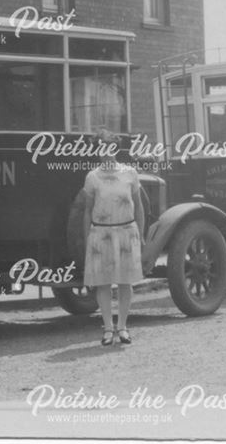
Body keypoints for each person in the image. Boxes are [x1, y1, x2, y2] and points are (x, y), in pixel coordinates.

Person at [81, 129, 145, 346]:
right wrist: (87, 238)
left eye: (108, 148)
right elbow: (87, 210)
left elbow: (139, 207)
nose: (104, 153)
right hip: (101, 234)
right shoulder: (92, 177)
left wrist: (141, 235)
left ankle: (123, 327)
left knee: (125, 282)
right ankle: (108, 328)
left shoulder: (130, 174)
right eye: (100, 148)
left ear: (115, 150)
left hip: (126, 232)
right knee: (103, 283)